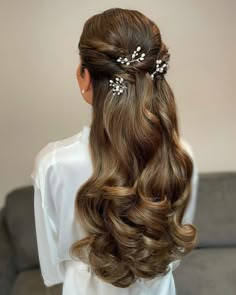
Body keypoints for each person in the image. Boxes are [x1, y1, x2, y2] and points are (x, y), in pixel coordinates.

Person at [31, 7, 199, 295]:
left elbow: (52, 266)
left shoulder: (53, 163)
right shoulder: (182, 155)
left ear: (84, 78)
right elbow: (173, 250)